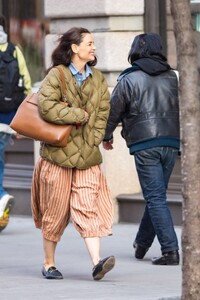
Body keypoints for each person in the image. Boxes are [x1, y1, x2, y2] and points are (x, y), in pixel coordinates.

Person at [31, 27, 115, 280]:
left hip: (88, 156)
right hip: (58, 155)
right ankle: (49, 263)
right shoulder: (57, 75)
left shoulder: (98, 78)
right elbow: (46, 107)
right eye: (89, 43)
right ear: (74, 48)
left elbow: (103, 112)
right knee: (54, 210)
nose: (94, 47)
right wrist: (78, 115)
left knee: (87, 207)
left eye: (94, 43)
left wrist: (94, 139)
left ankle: (97, 262)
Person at [103, 33, 180, 265]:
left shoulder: (128, 79)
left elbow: (112, 111)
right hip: (171, 142)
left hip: (145, 144)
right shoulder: (173, 77)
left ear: (135, 50)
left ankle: (170, 251)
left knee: (155, 197)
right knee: (156, 196)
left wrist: (106, 136)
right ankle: (142, 244)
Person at [0, 15, 32, 232]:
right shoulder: (13, 49)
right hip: (8, 115)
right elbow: (27, 83)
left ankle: (1, 195)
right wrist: (25, 118)